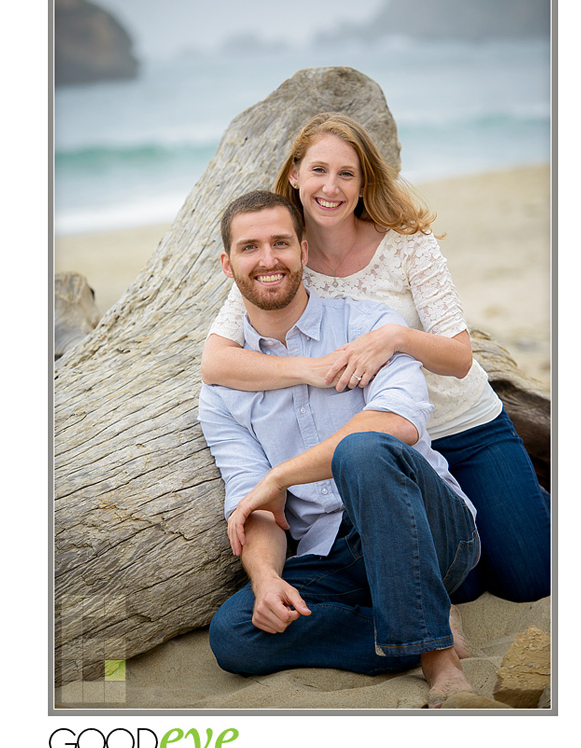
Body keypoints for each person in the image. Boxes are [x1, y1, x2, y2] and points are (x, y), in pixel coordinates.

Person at [201, 113, 550, 604]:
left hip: (465, 427)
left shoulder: (407, 245)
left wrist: (394, 338)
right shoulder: (282, 257)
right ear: (295, 174)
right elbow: (216, 364)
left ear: (364, 184)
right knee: (464, 586)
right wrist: (310, 370)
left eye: (347, 174)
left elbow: (459, 357)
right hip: (391, 448)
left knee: (530, 578)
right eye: (319, 170)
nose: (331, 187)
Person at [198, 191, 480, 707]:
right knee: (235, 634)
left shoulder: (367, 327)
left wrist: (282, 475)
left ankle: (440, 663)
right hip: (335, 552)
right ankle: (419, 621)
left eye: (281, 243)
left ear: (304, 252)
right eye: (250, 247)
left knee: (362, 450)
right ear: (228, 263)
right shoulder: (222, 394)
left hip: (429, 528)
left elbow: (396, 425)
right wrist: (265, 580)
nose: (268, 260)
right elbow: (254, 504)